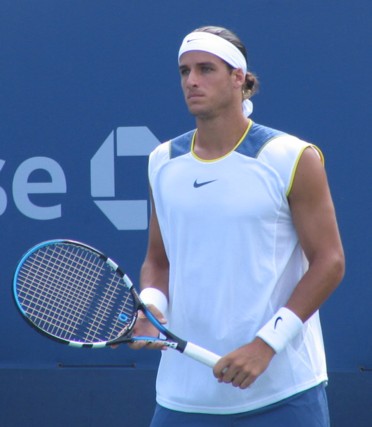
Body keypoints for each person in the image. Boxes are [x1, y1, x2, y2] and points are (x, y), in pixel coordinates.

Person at [130, 25, 345, 427]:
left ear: (239, 79)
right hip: (183, 398)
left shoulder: (291, 156)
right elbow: (159, 261)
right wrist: (152, 309)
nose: (192, 81)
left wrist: (266, 345)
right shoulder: (162, 161)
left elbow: (329, 261)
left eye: (206, 69)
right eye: (184, 71)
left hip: (283, 393)